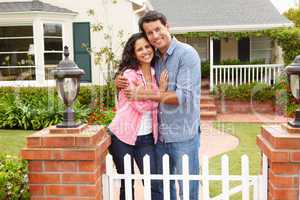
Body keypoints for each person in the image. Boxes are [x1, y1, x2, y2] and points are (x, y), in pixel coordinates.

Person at [115, 10, 201, 200]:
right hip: (159, 138)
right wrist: (119, 80)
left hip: (183, 136)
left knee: (187, 188)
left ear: (167, 26)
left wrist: (142, 93)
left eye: (158, 29)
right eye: (150, 33)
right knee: (164, 189)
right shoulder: (155, 58)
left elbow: (182, 97)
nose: (155, 36)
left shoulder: (186, 54)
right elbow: (134, 70)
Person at [108, 32, 168, 200]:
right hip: (122, 137)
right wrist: (161, 92)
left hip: (147, 138)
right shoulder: (128, 75)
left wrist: (144, 93)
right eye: (139, 49)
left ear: (153, 48)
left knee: (154, 183)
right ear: (134, 54)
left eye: (147, 47)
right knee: (127, 184)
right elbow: (141, 106)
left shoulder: (158, 73)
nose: (145, 51)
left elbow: (145, 99)